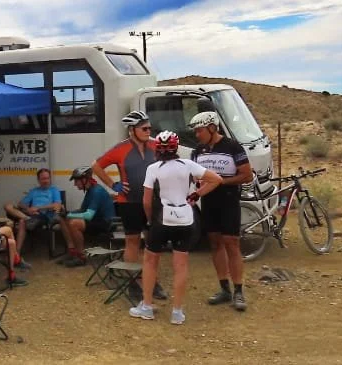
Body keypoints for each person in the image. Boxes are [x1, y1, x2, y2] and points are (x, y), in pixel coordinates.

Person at [129, 131, 222, 325]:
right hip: (186, 220)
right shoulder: (188, 165)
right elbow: (216, 179)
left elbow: (146, 201)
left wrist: (149, 220)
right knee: (180, 266)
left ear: (157, 149)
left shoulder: (153, 168)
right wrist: (197, 194)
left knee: (150, 261)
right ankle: (177, 312)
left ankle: (146, 306)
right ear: (176, 147)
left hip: (162, 221)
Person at [93, 110, 166, 299]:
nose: (149, 131)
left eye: (150, 127)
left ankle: (152, 281)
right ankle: (133, 282)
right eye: (144, 128)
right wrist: (113, 185)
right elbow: (96, 166)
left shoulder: (156, 145)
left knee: (152, 242)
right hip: (129, 203)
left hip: (152, 201)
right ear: (132, 130)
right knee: (132, 242)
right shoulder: (120, 148)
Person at [189, 111, 254, 311]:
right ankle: (224, 289)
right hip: (208, 203)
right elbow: (194, 175)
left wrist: (220, 182)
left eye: (199, 130)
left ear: (212, 128)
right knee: (215, 244)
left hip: (228, 201)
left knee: (232, 244)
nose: (196, 135)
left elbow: (247, 175)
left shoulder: (232, 146)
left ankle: (239, 291)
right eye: (195, 131)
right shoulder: (197, 150)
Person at [57, 167, 116, 268]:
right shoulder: (90, 190)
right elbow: (82, 210)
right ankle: (73, 252)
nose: (75, 184)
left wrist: (69, 214)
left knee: (74, 223)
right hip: (96, 220)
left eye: (76, 180)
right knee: (63, 219)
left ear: (85, 179)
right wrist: (66, 213)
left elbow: (88, 215)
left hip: (106, 223)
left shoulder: (96, 191)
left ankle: (81, 257)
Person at [3, 168, 60, 262]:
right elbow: (21, 203)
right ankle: (26, 218)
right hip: (31, 214)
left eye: (47, 178)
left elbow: (57, 205)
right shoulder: (34, 191)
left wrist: (38, 208)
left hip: (43, 215)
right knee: (8, 206)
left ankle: (16, 253)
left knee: (22, 222)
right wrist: (28, 209)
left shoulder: (54, 190)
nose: (46, 181)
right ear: (39, 180)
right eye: (43, 179)